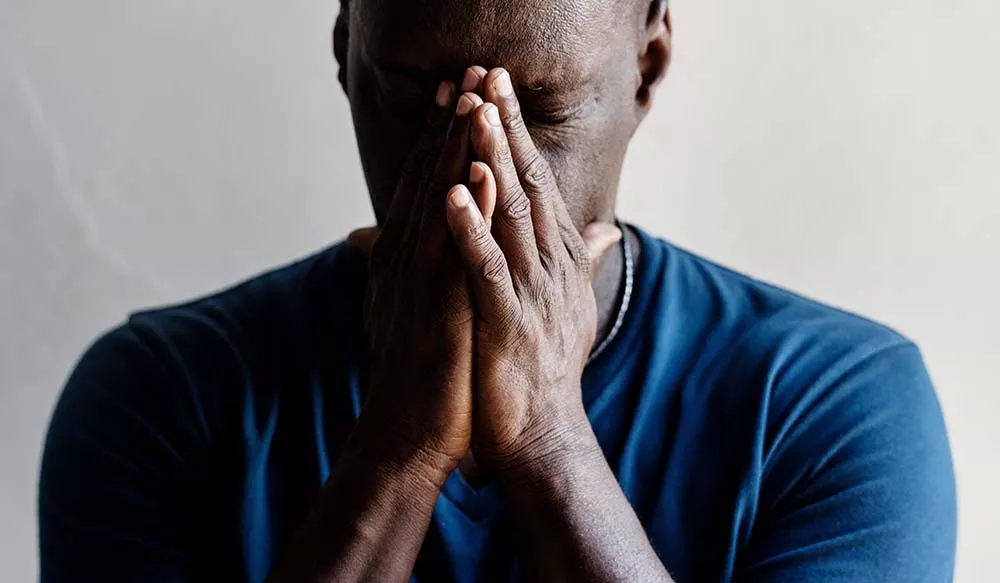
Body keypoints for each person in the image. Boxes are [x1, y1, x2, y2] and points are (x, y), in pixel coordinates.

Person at [38, 0, 957, 581]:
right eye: (414, 105)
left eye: (544, 111)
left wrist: (548, 439)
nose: (476, 180)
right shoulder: (158, 397)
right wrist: (398, 448)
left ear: (648, 66)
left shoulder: (838, 405)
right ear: (344, 48)